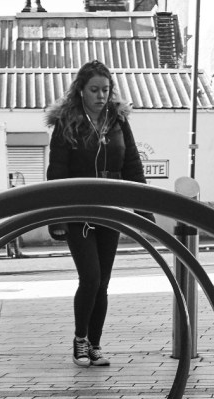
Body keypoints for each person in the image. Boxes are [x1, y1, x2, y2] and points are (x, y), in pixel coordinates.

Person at [46, 59, 147, 367]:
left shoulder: (118, 121)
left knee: (103, 281)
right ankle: (80, 340)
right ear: (81, 90)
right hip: (78, 210)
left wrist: (144, 210)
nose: (101, 95)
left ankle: (95, 344)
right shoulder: (67, 123)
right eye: (94, 90)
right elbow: (56, 172)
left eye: (105, 89)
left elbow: (132, 164)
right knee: (90, 277)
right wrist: (56, 218)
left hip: (110, 209)